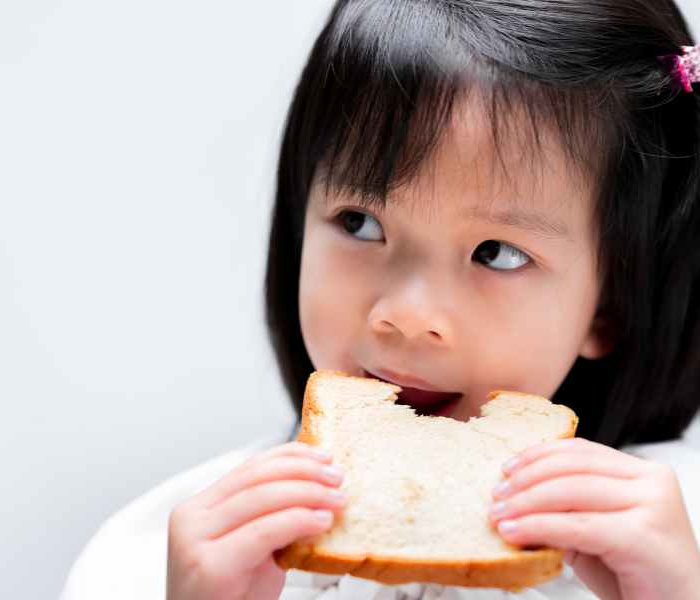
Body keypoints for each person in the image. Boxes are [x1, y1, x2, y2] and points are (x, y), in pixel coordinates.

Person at [60, 1, 700, 599]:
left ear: (611, 301)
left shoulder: (676, 543)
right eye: (360, 223)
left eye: (496, 253)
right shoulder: (159, 557)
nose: (407, 314)